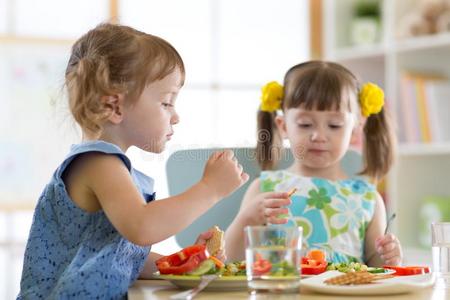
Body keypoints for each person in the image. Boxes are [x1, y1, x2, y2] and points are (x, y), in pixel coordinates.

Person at [17, 23, 248, 299]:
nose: (176, 116)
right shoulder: (98, 164)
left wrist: (184, 262)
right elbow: (143, 227)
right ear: (115, 107)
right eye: (166, 102)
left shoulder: (110, 166)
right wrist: (211, 188)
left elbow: (121, 259)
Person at [225, 61, 402, 267]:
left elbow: (376, 265)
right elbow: (231, 259)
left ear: (355, 129)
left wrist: (390, 256)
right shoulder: (267, 189)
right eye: (305, 124)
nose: (318, 136)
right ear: (283, 126)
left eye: (334, 125)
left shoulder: (367, 197)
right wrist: (246, 220)